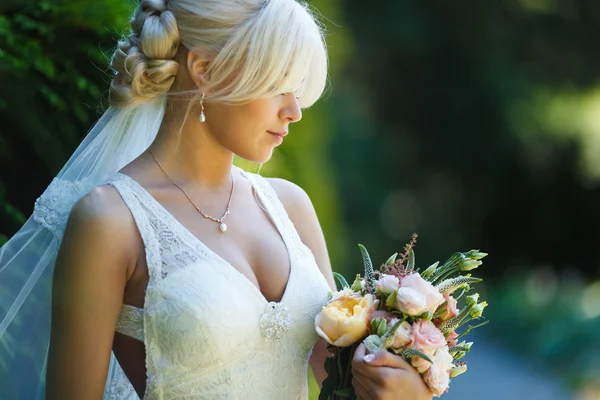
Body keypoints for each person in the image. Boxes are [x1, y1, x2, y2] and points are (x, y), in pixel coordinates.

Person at [0, 0, 433, 399]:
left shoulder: (291, 207)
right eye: (278, 83)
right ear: (204, 68)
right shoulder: (110, 220)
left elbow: (338, 383)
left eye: (296, 87)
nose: (294, 110)